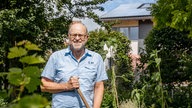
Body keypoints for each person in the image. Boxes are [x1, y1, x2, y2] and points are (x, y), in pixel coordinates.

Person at [40, 21, 108, 108]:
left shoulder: (96, 58)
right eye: (73, 35)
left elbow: (99, 86)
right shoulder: (56, 57)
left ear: (87, 37)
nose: (77, 38)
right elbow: (43, 85)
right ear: (69, 37)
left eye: (80, 35)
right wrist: (66, 86)